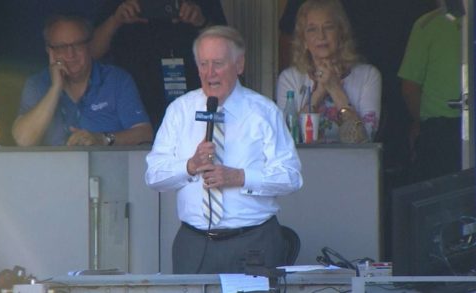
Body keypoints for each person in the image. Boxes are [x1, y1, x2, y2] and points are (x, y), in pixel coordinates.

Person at [145, 26, 303, 274]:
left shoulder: (263, 112)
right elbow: (154, 176)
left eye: (218, 63)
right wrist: (190, 165)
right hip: (194, 244)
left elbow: (291, 177)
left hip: (254, 242)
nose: (210, 73)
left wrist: (239, 177)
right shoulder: (180, 111)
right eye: (203, 64)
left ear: (239, 65)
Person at [12, 14, 153, 147]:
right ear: (50, 51)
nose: (70, 54)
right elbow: (24, 140)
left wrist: (103, 139)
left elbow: (145, 134)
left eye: (77, 44)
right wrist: (55, 88)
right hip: (52, 171)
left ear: (89, 45)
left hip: (108, 170)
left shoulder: (116, 79)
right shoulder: (37, 84)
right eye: (61, 47)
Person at [92, 0, 227, 131]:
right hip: (135, 100)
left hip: (192, 95)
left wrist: (200, 21)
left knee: (200, 148)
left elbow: (228, 49)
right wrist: (116, 20)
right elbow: (92, 52)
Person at [276, 0, 381, 143]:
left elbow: (364, 139)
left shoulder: (368, 76)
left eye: (329, 27)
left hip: (352, 163)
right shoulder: (289, 78)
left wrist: (334, 88)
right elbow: (285, 141)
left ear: (341, 34)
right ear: (304, 40)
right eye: (312, 29)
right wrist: (318, 93)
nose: (321, 36)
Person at [398, 4, 462, 182]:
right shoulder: (428, 24)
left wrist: (418, 122)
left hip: (437, 133)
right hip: (439, 133)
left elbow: (409, 86)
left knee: (439, 203)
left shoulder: (427, 24)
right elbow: (410, 86)